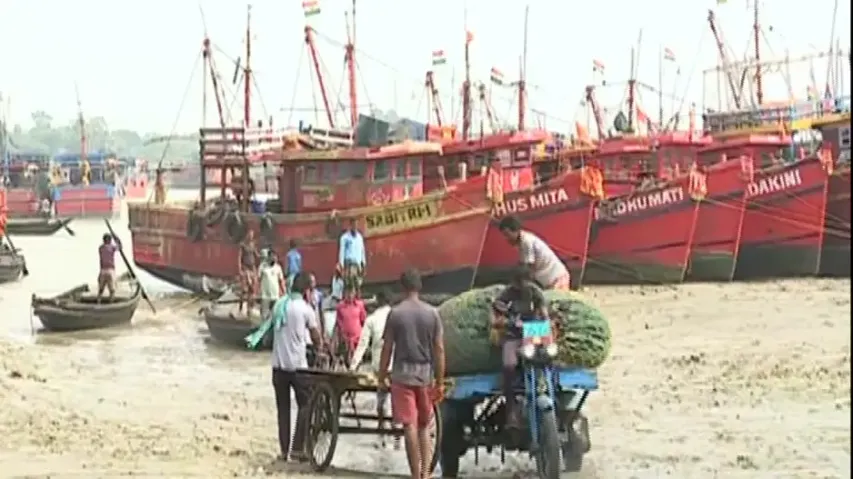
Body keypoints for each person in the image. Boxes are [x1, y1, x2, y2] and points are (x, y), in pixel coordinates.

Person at [378, 270, 445, 479]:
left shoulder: (396, 313)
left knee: (409, 425)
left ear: (402, 287)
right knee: (425, 425)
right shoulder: (432, 313)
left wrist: (381, 375)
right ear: (420, 287)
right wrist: (440, 381)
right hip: (425, 375)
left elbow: (387, 347)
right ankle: (426, 473)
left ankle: (415, 474)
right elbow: (439, 349)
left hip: (402, 376)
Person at [269, 271, 324, 463]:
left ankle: (284, 451)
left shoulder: (279, 304)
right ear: (306, 291)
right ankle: (298, 448)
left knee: (283, 409)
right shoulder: (305, 308)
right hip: (298, 368)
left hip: (278, 366)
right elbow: (316, 336)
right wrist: (322, 349)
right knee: (306, 404)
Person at [491, 265, 548, 427]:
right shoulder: (506, 295)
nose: (523, 286)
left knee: (546, 358)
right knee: (509, 365)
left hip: (532, 333)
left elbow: (544, 314)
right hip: (512, 335)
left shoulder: (536, 293)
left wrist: (545, 323)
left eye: (526, 282)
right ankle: (511, 407)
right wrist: (511, 323)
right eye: (520, 283)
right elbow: (495, 319)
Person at [350, 290, 398, 448]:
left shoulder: (372, 320)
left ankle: (381, 431)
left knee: (381, 401)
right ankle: (397, 434)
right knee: (396, 400)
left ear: (377, 301)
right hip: (398, 367)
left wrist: (353, 366)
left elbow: (362, 345)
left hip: (380, 368)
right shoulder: (398, 316)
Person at [497, 215, 572, 291]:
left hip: (557, 278)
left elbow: (527, 268)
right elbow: (523, 265)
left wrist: (517, 284)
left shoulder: (526, 241)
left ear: (516, 230)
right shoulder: (521, 242)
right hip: (549, 280)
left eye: (507, 234)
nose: (506, 238)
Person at [334, 284, 366, 367]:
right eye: (348, 293)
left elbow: (363, 321)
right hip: (345, 340)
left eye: (352, 292)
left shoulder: (359, 305)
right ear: (344, 293)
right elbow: (338, 323)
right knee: (346, 363)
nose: (350, 295)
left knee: (357, 361)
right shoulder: (340, 306)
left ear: (355, 293)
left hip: (357, 339)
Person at [338, 218, 366, 294]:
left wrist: (363, 264)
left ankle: (357, 303)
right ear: (350, 225)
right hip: (349, 264)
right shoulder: (345, 238)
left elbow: (362, 251)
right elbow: (342, 252)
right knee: (349, 285)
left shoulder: (360, 237)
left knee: (358, 285)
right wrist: (341, 266)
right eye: (353, 225)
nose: (355, 227)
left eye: (356, 225)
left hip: (358, 265)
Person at [237, 230, 260, 317]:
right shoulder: (243, 245)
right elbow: (239, 257)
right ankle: (241, 308)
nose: (250, 236)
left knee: (253, 289)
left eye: (252, 235)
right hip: (245, 268)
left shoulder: (253, 245)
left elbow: (256, 255)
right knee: (244, 290)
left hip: (252, 267)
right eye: (249, 235)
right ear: (247, 235)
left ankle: (250, 308)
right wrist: (240, 270)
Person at [259, 251, 285, 319]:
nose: (274, 258)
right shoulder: (262, 266)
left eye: (275, 257)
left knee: (275, 313)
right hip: (265, 295)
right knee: (264, 314)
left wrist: (284, 291)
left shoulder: (278, 267)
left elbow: (281, 280)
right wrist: (257, 291)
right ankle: (264, 327)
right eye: (272, 257)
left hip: (275, 294)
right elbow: (258, 278)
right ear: (269, 257)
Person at [97, 233, 122, 301]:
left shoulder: (100, 248)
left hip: (102, 271)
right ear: (109, 240)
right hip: (110, 270)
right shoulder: (112, 247)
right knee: (112, 291)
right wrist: (117, 238)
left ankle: (98, 302)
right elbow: (120, 247)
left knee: (100, 290)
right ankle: (111, 303)